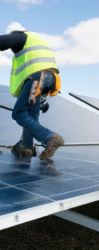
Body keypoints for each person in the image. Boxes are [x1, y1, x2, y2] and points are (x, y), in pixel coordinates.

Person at [0, 30, 64, 160]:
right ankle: (26, 146)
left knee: (19, 113)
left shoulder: (21, 36)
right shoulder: (40, 42)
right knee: (31, 116)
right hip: (49, 78)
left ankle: (50, 137)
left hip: (38, 76)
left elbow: (1, 41)